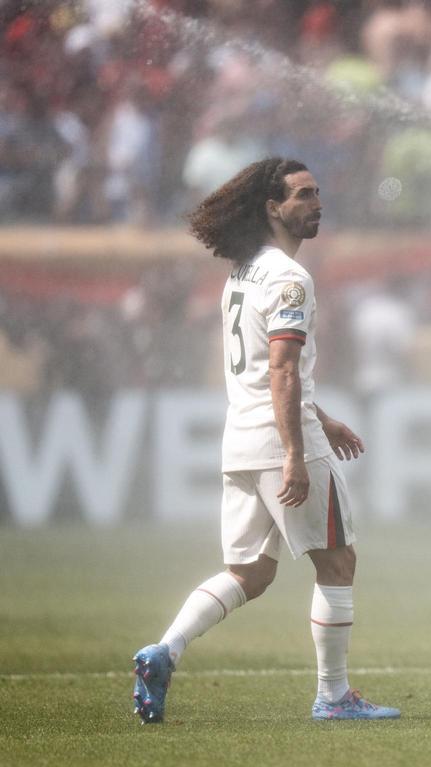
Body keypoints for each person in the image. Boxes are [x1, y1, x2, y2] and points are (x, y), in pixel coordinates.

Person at [131, 157, 400, 723]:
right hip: (281, 440)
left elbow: (263, 370)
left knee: (249, 573)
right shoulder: (289, 277)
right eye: (303, 195)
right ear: (272, 208)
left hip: (241, 439)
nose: (316, 203)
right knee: (338, 561)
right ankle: (333, 696)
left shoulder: (243, 271)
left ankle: (164, 650)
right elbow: (280, 369)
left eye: (318, 192)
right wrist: (298, 452)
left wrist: (320, 417)